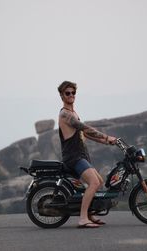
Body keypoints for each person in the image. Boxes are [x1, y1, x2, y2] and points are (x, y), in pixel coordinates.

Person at [57, 81, 117, 229]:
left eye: (73, 93)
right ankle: (83, 218)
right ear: (61, 95)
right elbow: (84, 128)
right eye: (67, 93)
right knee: (94, 183)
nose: (71, 95)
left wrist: (105, 141)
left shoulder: (73, 113)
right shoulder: (65, 114)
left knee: (99, 181)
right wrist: (106, 136)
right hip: (73, 157)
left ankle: (89, 214)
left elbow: (84, 134)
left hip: (81, 156)